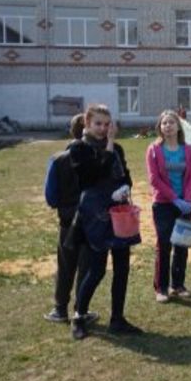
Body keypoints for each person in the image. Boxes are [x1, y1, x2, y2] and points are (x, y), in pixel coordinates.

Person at [68, 104, 142, 340]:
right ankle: (79, 316)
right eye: (98, 124)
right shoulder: (79, 148)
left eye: (106, 124)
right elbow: (93, 174)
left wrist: (124, 188)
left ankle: (117, 319)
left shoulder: (118, 149)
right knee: (96, 269)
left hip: (119, 215)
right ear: (87, 124)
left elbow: (125, 174)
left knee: (122, 268)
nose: (103, 129)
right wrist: (109, 145)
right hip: (94, 218)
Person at [43, 113, 98, 325]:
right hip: (91, 221)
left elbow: (50, 196)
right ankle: (80, 310)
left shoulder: (57, 160)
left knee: (66, 264)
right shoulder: (97, 157)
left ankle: (60, 309)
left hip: (68, 220)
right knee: (85, 266)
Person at [146, 110, 191, 303]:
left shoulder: (188, 149)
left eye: (171, 122)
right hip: (163, 204)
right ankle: (161, 288)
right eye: (164, 123)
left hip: (185, 204)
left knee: (182, 245)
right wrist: (175, 198)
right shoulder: (154, 149)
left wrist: (188, 200)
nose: (168, 126)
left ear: (178, 126)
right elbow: (154, 179)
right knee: (164, 245)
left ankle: (178, 285)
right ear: (160, 127)